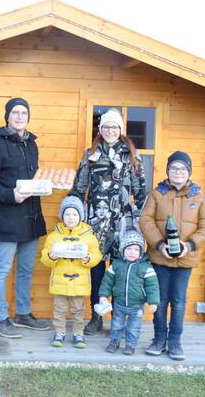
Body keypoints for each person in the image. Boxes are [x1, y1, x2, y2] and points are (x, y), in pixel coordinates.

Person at [0, 97, 50, 338]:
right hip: (9, 216)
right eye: (15, 113)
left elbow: (31, 178)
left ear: (28, 116)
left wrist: (45, 185)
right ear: (7, 116)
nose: (20, 116)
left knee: (27, 269)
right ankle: (0, 318)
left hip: (32, 217)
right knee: (2, 270)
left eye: (24, 113)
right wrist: (10, 195)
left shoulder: (31, 144)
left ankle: (23, 314)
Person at [70, 108, 147, 335]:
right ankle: (96, 317)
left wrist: (141, 222)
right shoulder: (90, 154)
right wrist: (71, 213)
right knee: (96, 273)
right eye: (106, 127)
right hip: (94, 225)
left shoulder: (131, 155)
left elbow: (141, 192)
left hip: (122, 224)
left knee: (120, 272)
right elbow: (79, 188)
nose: (110, 131)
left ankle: (119, 319)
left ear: (120, 130)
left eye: (114, 127)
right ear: (100, 129)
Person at [139, 151, 205, 360]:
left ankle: (175, 342)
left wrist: (190, 245)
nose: (178, 172)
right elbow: (145, 220)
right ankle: (158, 340)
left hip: (185, 259)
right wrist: (158, 244)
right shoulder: (157, 194)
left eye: (182, 168)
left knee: (179, 301)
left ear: (188, 172)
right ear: (168, 171)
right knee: (161, 299)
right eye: (174, 168)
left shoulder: (198, 196)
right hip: (160, 258)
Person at [40, 196, 102, 348]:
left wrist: (88, 259)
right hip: (60, 281)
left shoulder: (88, 236)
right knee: (59, 309)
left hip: (79, 281)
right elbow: (45, 255)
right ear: (62, 216)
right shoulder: (55, 235)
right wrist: (51, 256)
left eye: (75, 214)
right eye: (67, 214)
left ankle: (78, 333)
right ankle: (59, 332)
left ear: (80, 216)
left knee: (78, 310)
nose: (71, 218)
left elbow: (97, 255)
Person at [98, 227, 159, 355]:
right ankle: (114, 342)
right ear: (122, 250)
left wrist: (153, 302)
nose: (132, 252)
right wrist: (104, 295)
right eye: (129, 249)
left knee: (133, 328)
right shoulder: (116, 265)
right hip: (119, 304)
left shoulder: (146, 267)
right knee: (116, 325)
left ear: (141, 252)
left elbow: (152, 286)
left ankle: (130, 345)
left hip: (136, 305)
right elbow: (107, 282)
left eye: (136, 249)